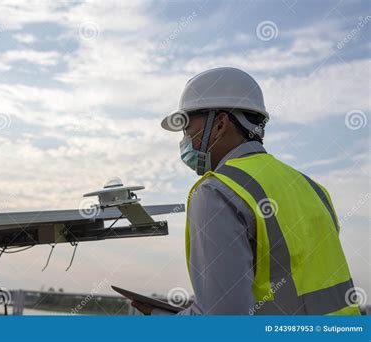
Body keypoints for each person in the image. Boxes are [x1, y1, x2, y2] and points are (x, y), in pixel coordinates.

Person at [132, 67, 361, 315]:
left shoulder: (216, 191)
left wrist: (160, 319)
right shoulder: (313, 188)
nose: (184, 140)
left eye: (187, 128)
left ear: (220, 124)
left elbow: (223, 322)